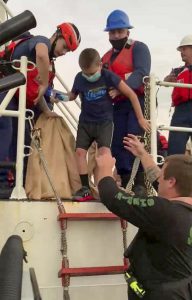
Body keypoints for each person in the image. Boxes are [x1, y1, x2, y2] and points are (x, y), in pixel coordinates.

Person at [96, 134, 192, 300]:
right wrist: (142, 154)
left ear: (171, 182)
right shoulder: (181, 210)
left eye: (162, 173)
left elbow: (112, 197)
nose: (158, 177)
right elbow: (161, 183)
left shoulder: (164, 211)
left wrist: (104, 169)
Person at [0, 22, 81, 193]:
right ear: (57, 35)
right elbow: (42, 56)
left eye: (68, 51)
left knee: (21, 138)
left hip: (17, 95)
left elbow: (39, 93)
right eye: (64, 47)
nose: (64, 52)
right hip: (4, 86)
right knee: (6, 127)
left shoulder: (50, 65)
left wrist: (47, 111)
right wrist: (44, 82)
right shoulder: (40, 41)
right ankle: (1, 180)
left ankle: (15, 181)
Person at [64, 48, 150, 201]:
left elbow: (131, 94)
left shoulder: (108, 76)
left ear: (100, 65)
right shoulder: (79, 78)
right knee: (79, 153)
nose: (89, 76)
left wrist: (141, 119)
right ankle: (85, 187)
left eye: (92, 73)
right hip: (85, 122)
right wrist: (57, 96)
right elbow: (72, 95)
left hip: (104, 122)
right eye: (86, 73)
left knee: (104, 153)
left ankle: (106, 188)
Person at [102, 10, 151, 193]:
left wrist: (120, 88)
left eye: (119, 32)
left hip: (137, 100)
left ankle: (139, 183)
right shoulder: (105, 58)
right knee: (117, 142)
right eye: (112, 32)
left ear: (127, 33)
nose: (116, 35)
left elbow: (141, 72)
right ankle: (124, 179)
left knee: (133, 138)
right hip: (117, 105)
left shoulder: (139, 48)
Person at [164, 34, 192, 155]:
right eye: (181, 49)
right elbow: (165, 81)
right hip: (181, 112)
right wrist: (169, 79)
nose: (181, 52)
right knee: (174, 151)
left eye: (184, 49)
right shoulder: (178, 70)